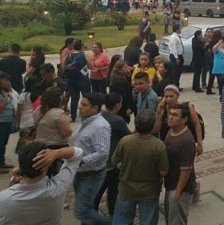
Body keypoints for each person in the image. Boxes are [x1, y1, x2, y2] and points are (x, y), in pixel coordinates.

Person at [0, 144, 83, 224]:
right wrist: (56, 153)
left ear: (20, 168)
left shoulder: (4, 199)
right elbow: (77, 154)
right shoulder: (58, 188)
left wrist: (13, 180)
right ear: (46, 167)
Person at [73, 92, 112, 225]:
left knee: (82, 210)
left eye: (84, 105)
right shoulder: (87, 122)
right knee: (86, 209)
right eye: (80, 104)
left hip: (91, 175)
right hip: (80, 173)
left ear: (95, 108)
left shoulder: (100, 126)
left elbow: (102, 152)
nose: (80, 107)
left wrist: (82, 160)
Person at [94, 92, 131, 218]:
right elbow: (128, 136)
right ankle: (113, 213)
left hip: (99, 159)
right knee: (113, 188)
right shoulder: (117, 120)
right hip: (111, 161)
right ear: (118, 104)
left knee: (99, 188)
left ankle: (92, 210)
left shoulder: (100, 115)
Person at [164, 103, 197, 225]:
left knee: (176, 221)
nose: (171, 117)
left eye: (175, 115)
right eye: (170, 114)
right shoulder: (170, 131)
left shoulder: (186, 140)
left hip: (180, 188)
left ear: (184, 119)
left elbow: (186, 169)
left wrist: (177, 192)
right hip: (170, 183)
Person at [64, 39, 90, 122]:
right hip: (82, 79)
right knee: (87, 97)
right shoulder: (83, 55)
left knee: (74, 99)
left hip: (71, 80)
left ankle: (73, 116)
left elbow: (63, 67)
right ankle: (86, 115)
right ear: (81, 46)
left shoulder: (68, 55)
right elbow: (90, 66)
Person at [0, 72, 17, 172]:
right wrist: (6, 98)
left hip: (8, 120)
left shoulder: (6, 91)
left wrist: (10, 90)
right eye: (5, 80)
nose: (8, 82)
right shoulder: (3, 94)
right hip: (1, 121)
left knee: (4, 142)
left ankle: (2, 162)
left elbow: (16, 99)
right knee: (0, 143)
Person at [169, 25, 185, 89]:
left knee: (179, 72)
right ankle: (175, 86)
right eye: (180, 29)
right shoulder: (173, 37)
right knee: (176, 72)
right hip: (175, 56)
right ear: (177, 29)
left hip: (179, 55)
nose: (181, 30)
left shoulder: (177, 36)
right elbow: (173, 48)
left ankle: (177, 85)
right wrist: (176, 57)